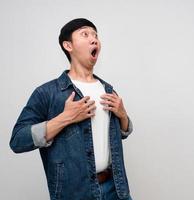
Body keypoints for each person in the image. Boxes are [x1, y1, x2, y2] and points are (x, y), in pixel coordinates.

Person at [10, 18, 133, 200]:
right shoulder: (47, 93)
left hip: (116, 190)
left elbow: (118, 134)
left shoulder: (108, 89)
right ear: (68, 45)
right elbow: (18, 140)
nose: (94, 39)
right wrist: (65, 118)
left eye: (96, 35)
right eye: (85, 34)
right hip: (74, 194)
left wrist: (123, 116)